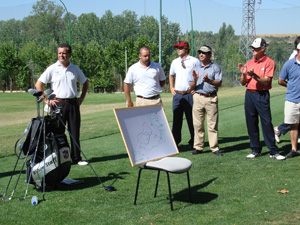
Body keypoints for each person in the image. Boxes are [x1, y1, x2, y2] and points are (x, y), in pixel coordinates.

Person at [35, 43, 89, 166]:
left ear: (69, 54)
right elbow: (38, 84)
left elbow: (85, 83)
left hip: (73, 103)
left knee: (74, 132)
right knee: (58, 133)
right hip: (57, 104)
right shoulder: (52, 68)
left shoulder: (75, 69)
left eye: (64, 53)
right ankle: (60, 158)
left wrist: (81, 98)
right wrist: (46, 100)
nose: (61, 55)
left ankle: (76, 158)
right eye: (59, 53)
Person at [238, 38, 285, 160]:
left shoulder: (269, 62)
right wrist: (244, 74)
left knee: (266, 123)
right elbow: (243, 82)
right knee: (251, 122)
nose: (253, 50)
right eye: (252, 48)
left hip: (262, 95)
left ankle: (273, 151)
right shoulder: (249, 63)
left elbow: (266, 81)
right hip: (249, 94)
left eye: (256, 48)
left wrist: (254, 75)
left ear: (263, 49)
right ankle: (255, 150)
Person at [189, 45, 223, 156]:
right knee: (198, 124)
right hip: (198, 97)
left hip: (211, 97)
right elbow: (190, 86)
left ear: (209, 54)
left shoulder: (215, 68)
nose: (201, 55)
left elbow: (219, 83)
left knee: (212, 125)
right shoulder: (195, 68)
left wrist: (209, 80)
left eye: (204, 53)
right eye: (200, 53)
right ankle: (198, 147)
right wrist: (194, 80)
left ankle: (214, 148)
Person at [169, 41, 201, 148]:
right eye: (177, 48)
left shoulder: (194, 61)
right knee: (176, 120)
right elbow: (171, 75)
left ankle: (194, 142)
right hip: (177, 95)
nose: (178, 49)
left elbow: (199, 75)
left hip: (189, 94)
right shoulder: (175, 62)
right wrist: (171, 87)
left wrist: (196, 88)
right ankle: (175, 142)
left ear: (186, 49)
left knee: (191, 119)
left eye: (181, 48)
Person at [274, 36, 300, 143]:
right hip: (294, 94)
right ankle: (279, 130)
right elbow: (284, 78)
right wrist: (292, 86)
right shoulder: (293, 59)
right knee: (293, 120)